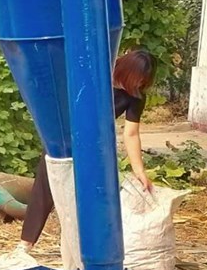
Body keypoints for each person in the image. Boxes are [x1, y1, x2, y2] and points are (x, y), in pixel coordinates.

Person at [19, 49, 156, 252]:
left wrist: (140, 171)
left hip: (95, 145)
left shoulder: (135, 96)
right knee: (45, 186)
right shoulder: (97, 72)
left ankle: (81, 245)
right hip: (64, 133)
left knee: (90, 194)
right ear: (126, 71)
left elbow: (131, 133)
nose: (139, 85)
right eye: (137, 79)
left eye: (143, 82)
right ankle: (25, 244)